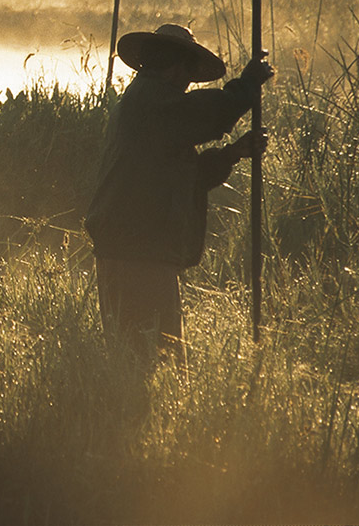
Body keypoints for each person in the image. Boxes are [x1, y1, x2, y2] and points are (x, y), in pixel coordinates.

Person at [84, 23, 273, 369]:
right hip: (135, 251)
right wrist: (246, 88)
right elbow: (206, 112)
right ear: (174, 67)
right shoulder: (152, 101)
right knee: (152, 357)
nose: (188, 84)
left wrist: (233, 152)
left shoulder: (153, 106)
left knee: (149, 354)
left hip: (135, 246)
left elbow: (185, 175)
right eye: (188, 74)